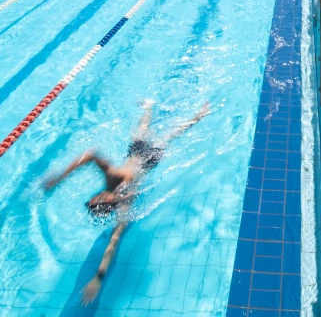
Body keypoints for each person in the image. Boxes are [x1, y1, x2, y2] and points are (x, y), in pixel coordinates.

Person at [44, 101, 211, 303]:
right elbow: (91, 154)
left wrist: (98, 277)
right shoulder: (115, 182)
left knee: (149, 131)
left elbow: (113, 241)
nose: (94, 195)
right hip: (147, 158)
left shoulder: (124, 204)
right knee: (165, 134)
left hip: (140, 158)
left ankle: (153, 108)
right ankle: (195, 115)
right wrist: (58, 178)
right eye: (94, 198)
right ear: (102, 198)